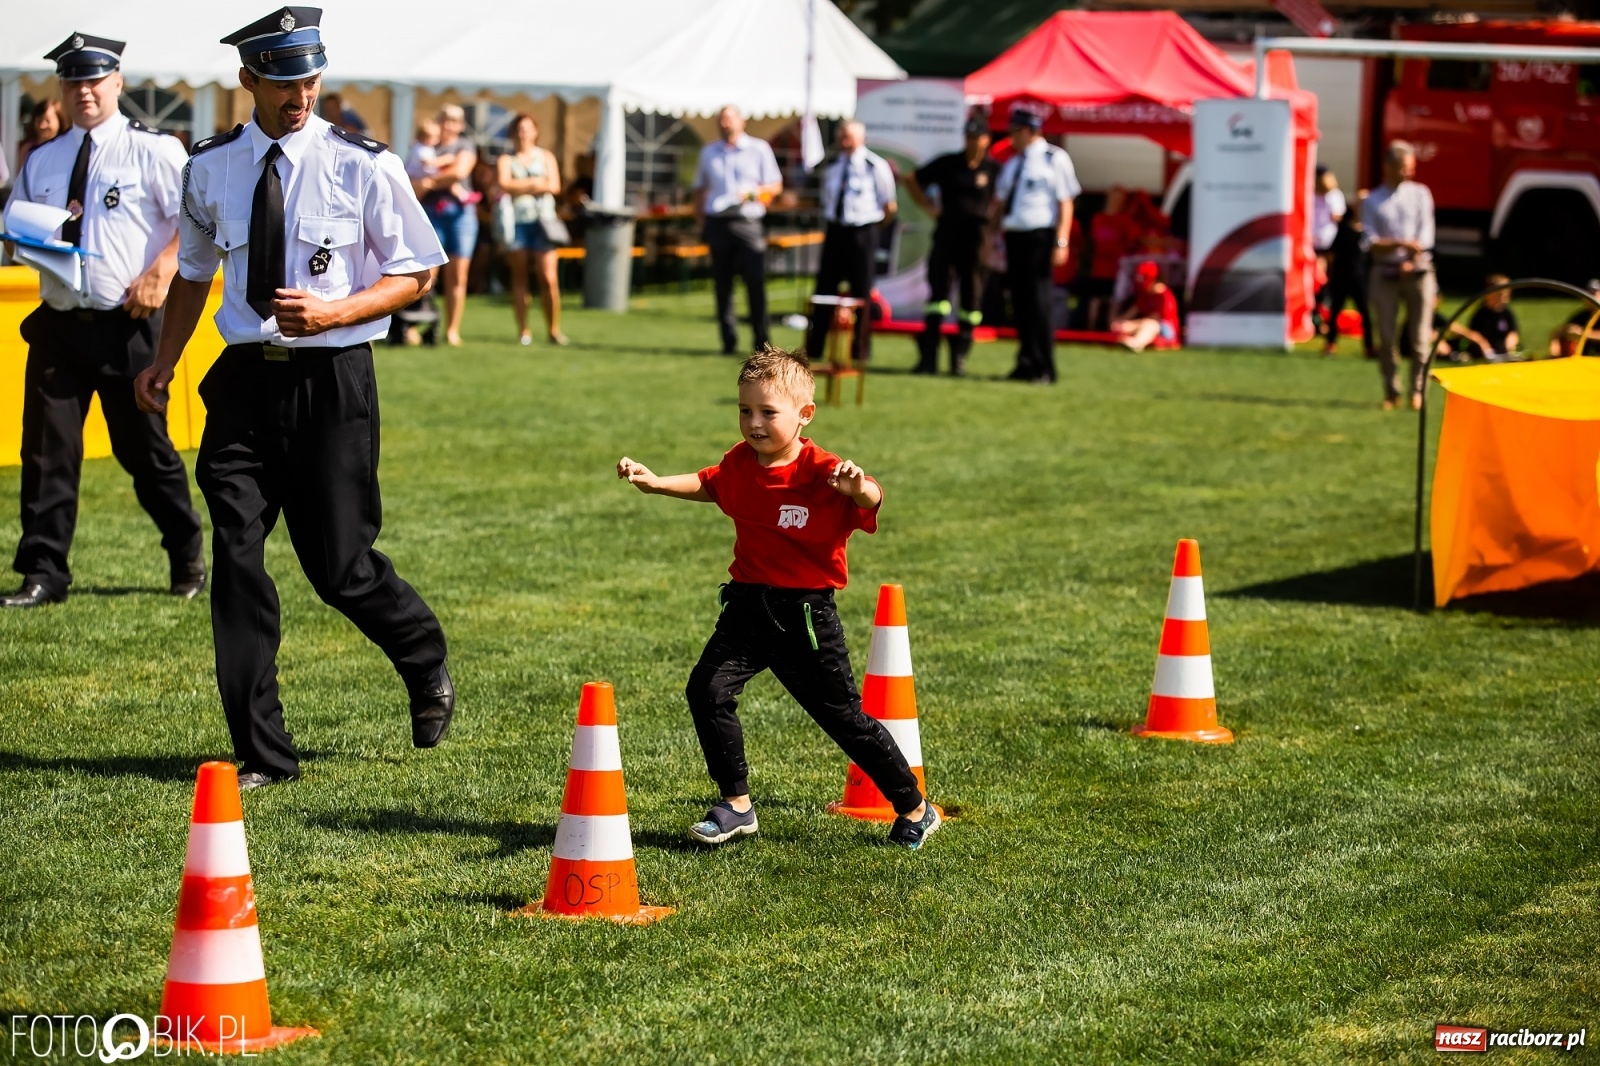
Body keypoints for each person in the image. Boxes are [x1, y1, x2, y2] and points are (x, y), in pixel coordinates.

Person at [132, 6, 455, 790]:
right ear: (248, 79)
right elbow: (195, 274)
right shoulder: (209, 166)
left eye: (309, 79)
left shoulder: (364, 164)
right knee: (237, 560)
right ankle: (264, 754)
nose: (299, 95)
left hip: (333, 383)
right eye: (282, 82)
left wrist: (335, 313)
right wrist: (164, 363)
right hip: (243, 384)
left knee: (340, 568)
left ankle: (422, 656)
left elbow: (417, 271)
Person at [615, 347, 940, 850]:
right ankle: (737, 806)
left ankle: (916, 807)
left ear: (805, 414)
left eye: (768, 412)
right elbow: (710, 483)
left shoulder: (823, 471)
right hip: (747, 607)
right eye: (745, 410)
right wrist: (655, 482)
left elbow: (872, 496)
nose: (754, 423)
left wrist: (859, 489)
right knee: (707, 691)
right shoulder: (740, 462)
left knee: (843, 719)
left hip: (805, 617)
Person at [1, 33, 205, 608]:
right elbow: (16, 231)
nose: (84, 91)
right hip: (60, 323)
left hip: (128, 324)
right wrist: (25, 242)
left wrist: (162, 270)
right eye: (73, 81)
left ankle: (186, 551)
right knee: (46, 452)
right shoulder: (42, 158)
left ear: (118, 82)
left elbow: (197, 224)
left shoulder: (154, 150)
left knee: (144, 452)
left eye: (94, 80)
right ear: (61, 89)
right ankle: (43, 572)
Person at [904, 115, 999, 376]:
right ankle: (929, 357)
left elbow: (1005, 198)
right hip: (947, 235)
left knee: (972, 298)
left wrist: (995, 220)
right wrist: (928, 208)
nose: (972, 142)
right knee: (938, 296)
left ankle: (959, 359)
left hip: (977, 240)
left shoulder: (994, 169)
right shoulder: (949, 163)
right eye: (968, 137)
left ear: (987, 140)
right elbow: (912, 178)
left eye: (977, 137)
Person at [992, 106, 1080, 384]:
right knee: (1020, 301)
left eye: (1015, 132)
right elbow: (1000, 202)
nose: (1011, 137)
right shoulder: (1013, 163)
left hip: (1039, 236)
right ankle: (1025, 361)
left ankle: (1044, 366)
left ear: (1029, 131)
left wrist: (1061, 241)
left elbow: (1065, 202)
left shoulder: (1054, 158)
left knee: (1039, 302)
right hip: (1015, 237)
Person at [693, 105, 782, 356]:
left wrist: (751, 194)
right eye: (721, 120)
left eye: (729, 119)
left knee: (755, 280)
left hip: (747, 221)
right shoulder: (709, 152)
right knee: (723, 285)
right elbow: (699, 189)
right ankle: (728, 341)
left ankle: (761, 342)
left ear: (742, 122)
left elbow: (775, 186)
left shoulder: (758, 149)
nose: (725, 124)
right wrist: (701, 221)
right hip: (718, 222)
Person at [806, 120, 895, 368]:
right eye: (841, 136)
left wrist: (872, 231)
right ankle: (815, 347)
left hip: (863, 231)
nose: (844, 141)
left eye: (849, 137)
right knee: (825, 289)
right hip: (836, 230)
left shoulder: (875, 166)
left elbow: (889, 206)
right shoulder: (831, 164)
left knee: (861, 292)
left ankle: (860, 349)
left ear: (861, 138)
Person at [1363, 140, 1436, 410]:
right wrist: (1400, 245)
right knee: (1386, 337)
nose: (1409, 172)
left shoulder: (1421, 194)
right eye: (1404, 167)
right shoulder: (1372, 200)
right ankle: (1391, 391)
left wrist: (1411, 258)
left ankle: (1417, 391)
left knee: (1420, 338)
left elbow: (1426, 236)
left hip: (1418, 272)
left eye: (1411, 167)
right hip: (1385, 273)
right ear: (1389, 166)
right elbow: (1370, 241)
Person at [496, 113, 566, 346]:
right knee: (520, 278)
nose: (523, 133)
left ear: (535, 131)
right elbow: (504, 184)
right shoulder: (506, 159)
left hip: (544, 223)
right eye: (519, 128)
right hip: (517, 223)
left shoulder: (545, 156)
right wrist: (536, 183)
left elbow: (554, 185)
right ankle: (523, 330)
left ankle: (553, 329)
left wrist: (520, 186)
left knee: (548, 277)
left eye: (527, 128)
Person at [412, 104, 477, 346]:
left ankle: (452, 329)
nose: (448, 125)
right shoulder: (426, 144)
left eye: (454, 121)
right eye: (445, 120)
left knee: (458, 275)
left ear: (461, 125)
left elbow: (459, 172)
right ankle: (414, 324)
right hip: (431, 213)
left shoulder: (465, 145)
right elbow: (409, 179)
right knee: (427, 274)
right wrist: (436, 178)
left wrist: (429, 180)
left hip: (460, 215)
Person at [1321, 188, 1373, 358]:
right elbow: (1332, 253)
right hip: (1341, 276)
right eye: (1360, 203)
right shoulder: (1343, 226)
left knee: (1365, 313)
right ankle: (1331, 344)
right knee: (1335, 312)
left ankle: (1369, 347)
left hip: (1360, 279)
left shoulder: (1371, 228)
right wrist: (1329, 275)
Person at [1437, 274, 1518, 362]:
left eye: (1507, 294)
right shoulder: (1481, 314)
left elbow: (1513, 332)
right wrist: (1485, 348)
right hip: (1485, 353)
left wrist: (1510, 345)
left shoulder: (1507, 313)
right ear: (1489, 294)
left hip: (1503, 352)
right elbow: (1474, 334)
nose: (1504, 297)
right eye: (1500, 294)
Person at [1111, 261, 1180, 352]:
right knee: (1124, 327)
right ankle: (1130, 340)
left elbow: (1156, 319)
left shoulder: (1164, 295)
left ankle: (1136, 344)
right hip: (1144, 325)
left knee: (1150, 324)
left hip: (1166, 331)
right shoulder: (1145, 295)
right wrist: (1120, 323)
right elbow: (1133, 311)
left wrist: (1132, 324)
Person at [1312, 165, 1346, 328]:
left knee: (1329, 283)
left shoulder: (1334, 196)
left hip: (1330, 246)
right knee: (1317, 282)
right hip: (1313, 246)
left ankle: (1325, 316)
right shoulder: (1309, 194)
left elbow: (1338, 217)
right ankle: (1316, 316)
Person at [1550, 278, 1600, 356]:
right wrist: (1555, 343)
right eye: (1588, 294)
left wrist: (1583, 333)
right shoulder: (1583, 316)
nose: (1590, 297)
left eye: (1595, 294)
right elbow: (1560, 330)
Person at [16, 99, 66, 175]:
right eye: (39, 121)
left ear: (59, 121)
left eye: (48, 121)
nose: (42, 126)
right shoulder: (28, 149)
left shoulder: (66, 148)